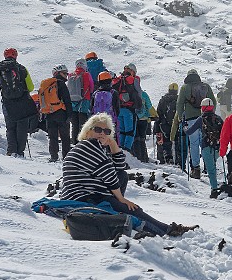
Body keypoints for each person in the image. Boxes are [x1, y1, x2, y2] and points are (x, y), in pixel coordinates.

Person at [60, 113, 196, 237]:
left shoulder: (88, 146)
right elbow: (109, 177)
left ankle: (122, 211)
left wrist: (113, 144)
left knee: (122, 176)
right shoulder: (90, 147)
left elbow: (119, 168)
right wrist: (122, 200)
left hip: (86, 193)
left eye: (107, 131)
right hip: (84, 198)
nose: (102, 133)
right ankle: (167, 230)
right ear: (87, 131)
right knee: (134, 210)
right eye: (98, 129)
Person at [0, 48, 37, 157]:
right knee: (22, 126)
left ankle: (11, 151)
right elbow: (31, 87)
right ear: (16, 56)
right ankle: (20, 152)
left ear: (5, 55)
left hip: (7, 102)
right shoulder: (22, 68)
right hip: (22, 102)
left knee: (10, 127)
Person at [173, 68, 216, 178]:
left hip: (191, 119)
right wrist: (211, 115)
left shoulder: (184, 88)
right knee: (205, 143)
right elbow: (213, 101)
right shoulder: (205, 86)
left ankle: (195, 169)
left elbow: (179, 104)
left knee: (194, 144)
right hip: (205, 119)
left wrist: (181, 118)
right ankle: (208, 166)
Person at [185, 98, 224, 198]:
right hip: (217, 147)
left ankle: (214, 189)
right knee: (212, 166)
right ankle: (216, 187)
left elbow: (189, 131)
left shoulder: (201, 119)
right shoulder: (219, 119)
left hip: (206, 146)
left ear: (203, 108)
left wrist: (184, 127)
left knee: (211, 170)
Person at [39, 64, 74, 162]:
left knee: (52, 137)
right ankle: (66, 157)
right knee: (65, 137)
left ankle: (53, 156)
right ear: (58, 73)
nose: (66, 75)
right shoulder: (61, 84)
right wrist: (69, 114)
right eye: (64, 73)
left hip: (49, 114)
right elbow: (67, 100)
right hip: (61, 113)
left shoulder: (46, 85)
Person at [111, 64, 143, 152]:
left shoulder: (117, 80)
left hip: (119, 109)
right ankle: (127, 150)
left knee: (121, 131)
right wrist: (139, 106)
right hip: (130, 109)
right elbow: (139, 93)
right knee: (130, 131)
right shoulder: (133, 80)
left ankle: (120, 149)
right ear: (132, 71)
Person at [67, 59, 94, 145]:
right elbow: (91, 87)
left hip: (73, 101)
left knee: (74, 124)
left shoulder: (71, 75)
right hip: (84, 101)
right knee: (83, 123)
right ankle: (82, 142)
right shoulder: (86, 74)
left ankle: (74, 142)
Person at [90, 71, 119, 141]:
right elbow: (117, 109)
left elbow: (91, 108)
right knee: (111, 139)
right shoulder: (114, 92)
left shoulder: (95, 93)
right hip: (110, 121)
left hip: (98, 120)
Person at [153, 83, 178, 164]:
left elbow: (159, 113)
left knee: (164, 142)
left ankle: (163, 159)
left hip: (163, 124)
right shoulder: (179, 99)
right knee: (176, 142)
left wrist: (157, 126)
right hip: (176, 124)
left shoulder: (163, 100)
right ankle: (177, 160)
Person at [133, 89, 156, 163]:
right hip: (144, 120)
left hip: (133, 119)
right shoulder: (144, 94)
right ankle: (144, 158)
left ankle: (137, 157)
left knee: (135, 139)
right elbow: (149, 106)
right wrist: (155, 115)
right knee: (142, 139)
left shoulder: (130, 93)